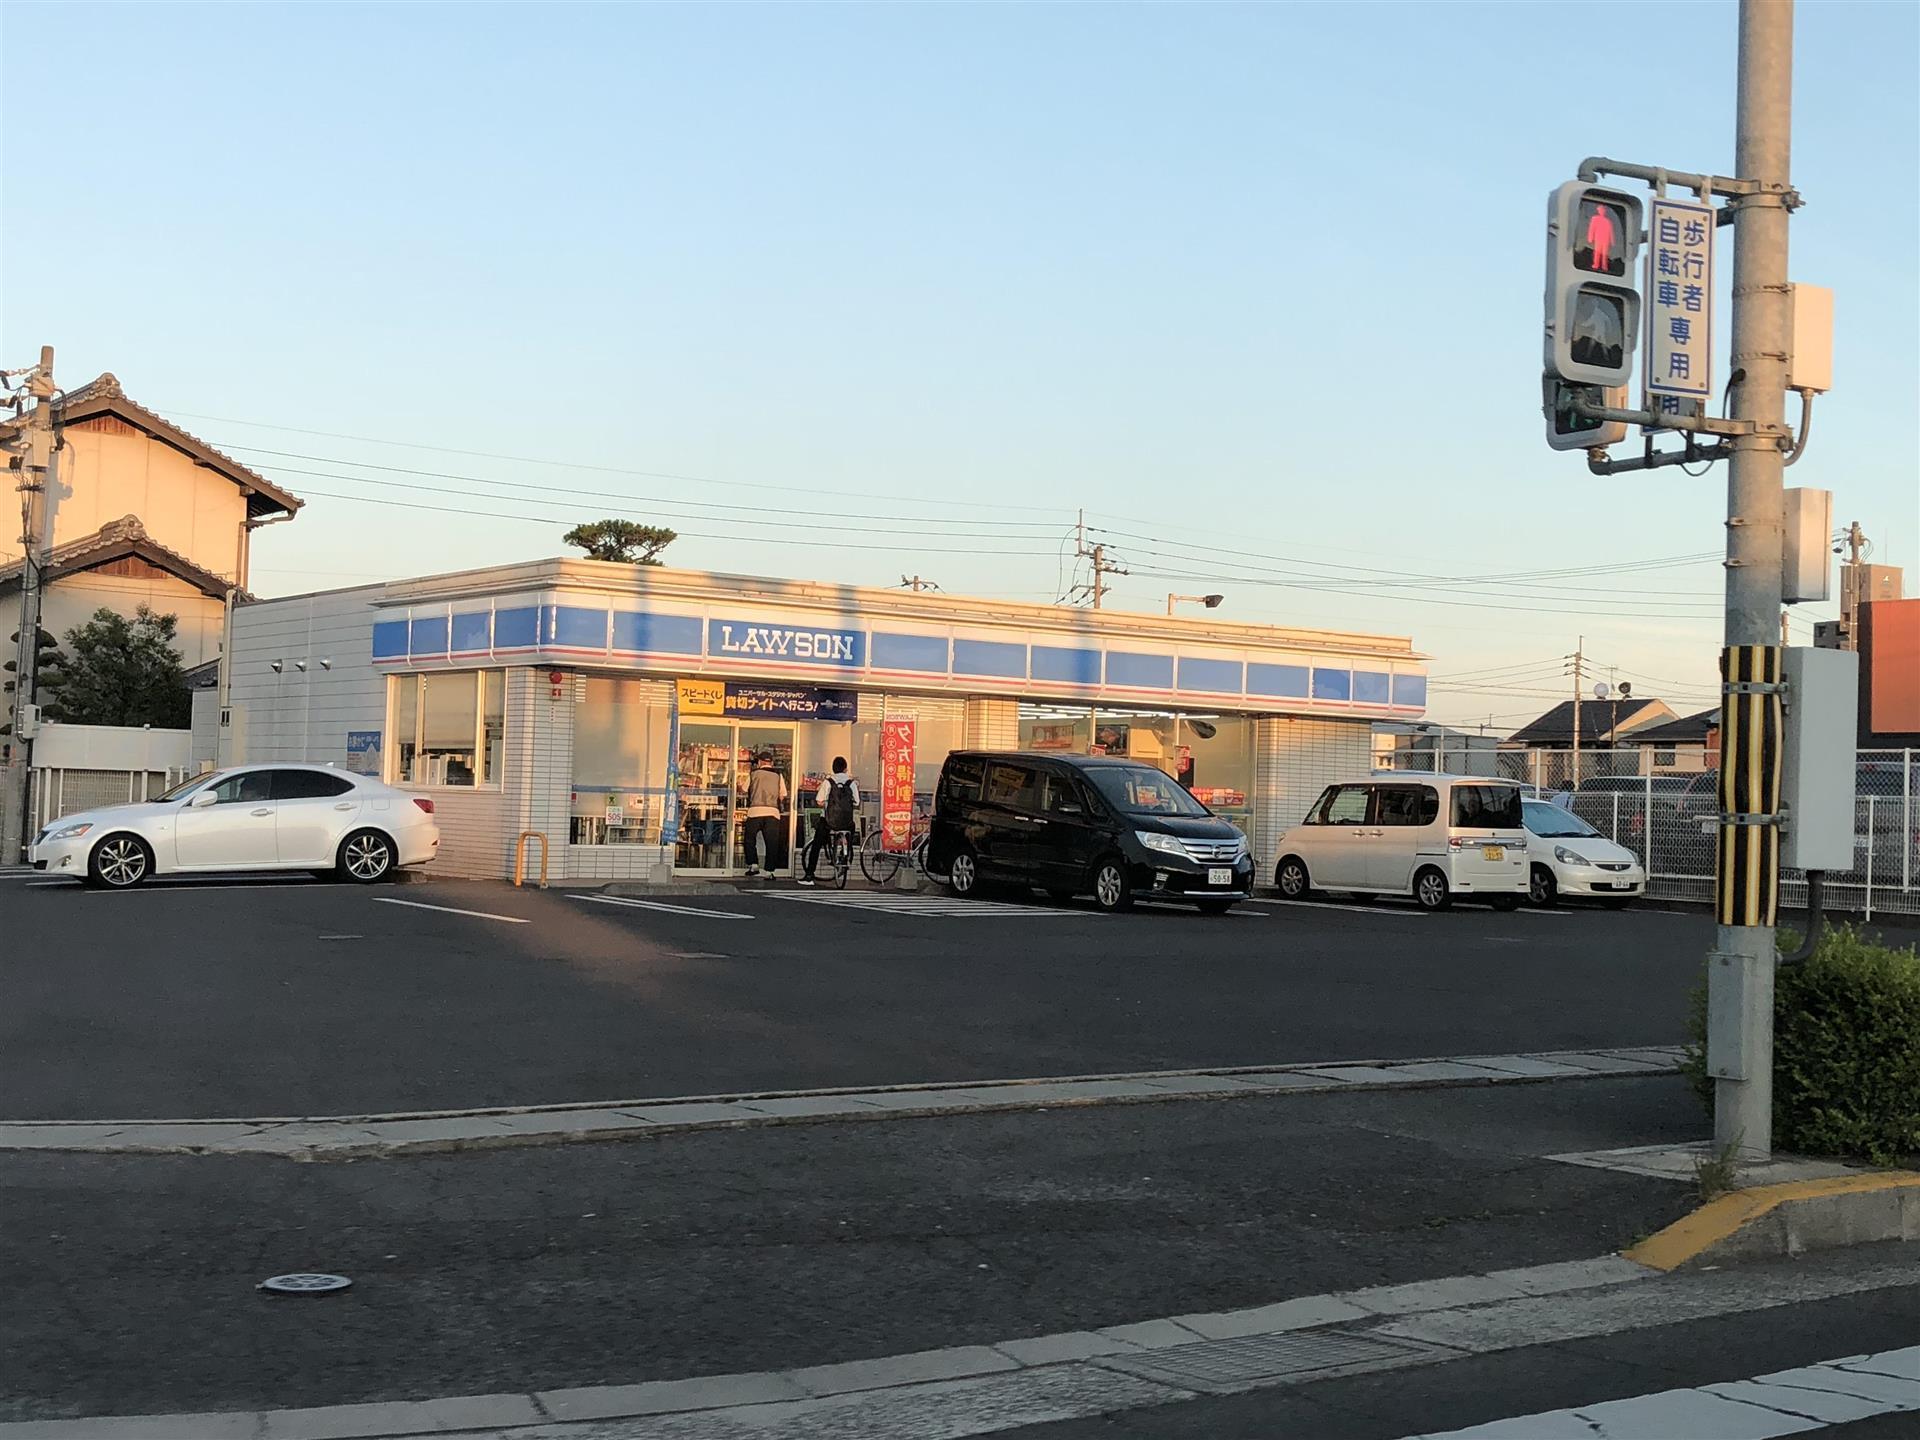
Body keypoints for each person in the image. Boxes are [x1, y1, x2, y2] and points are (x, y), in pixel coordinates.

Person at [799, 756, 861, 886]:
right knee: (850, 831)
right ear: (845, 769)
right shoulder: (852, 783)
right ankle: (846, 854)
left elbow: (819, 801)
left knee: (816, 844)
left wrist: (828, 804)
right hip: (846, 822)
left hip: (828, 821)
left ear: (833, 769)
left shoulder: (828, 782)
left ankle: (809, 875)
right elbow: (857, 802)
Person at [741, 752, 788, 879]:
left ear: (759, 762)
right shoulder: (778, 775)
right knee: (772, 843)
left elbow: (743, 789)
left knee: (749, 839)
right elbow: (783, 795)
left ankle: (754, 865)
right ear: (771, 763)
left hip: (755, 811)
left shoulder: (753, 774)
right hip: (772, 812)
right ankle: (769, 872)